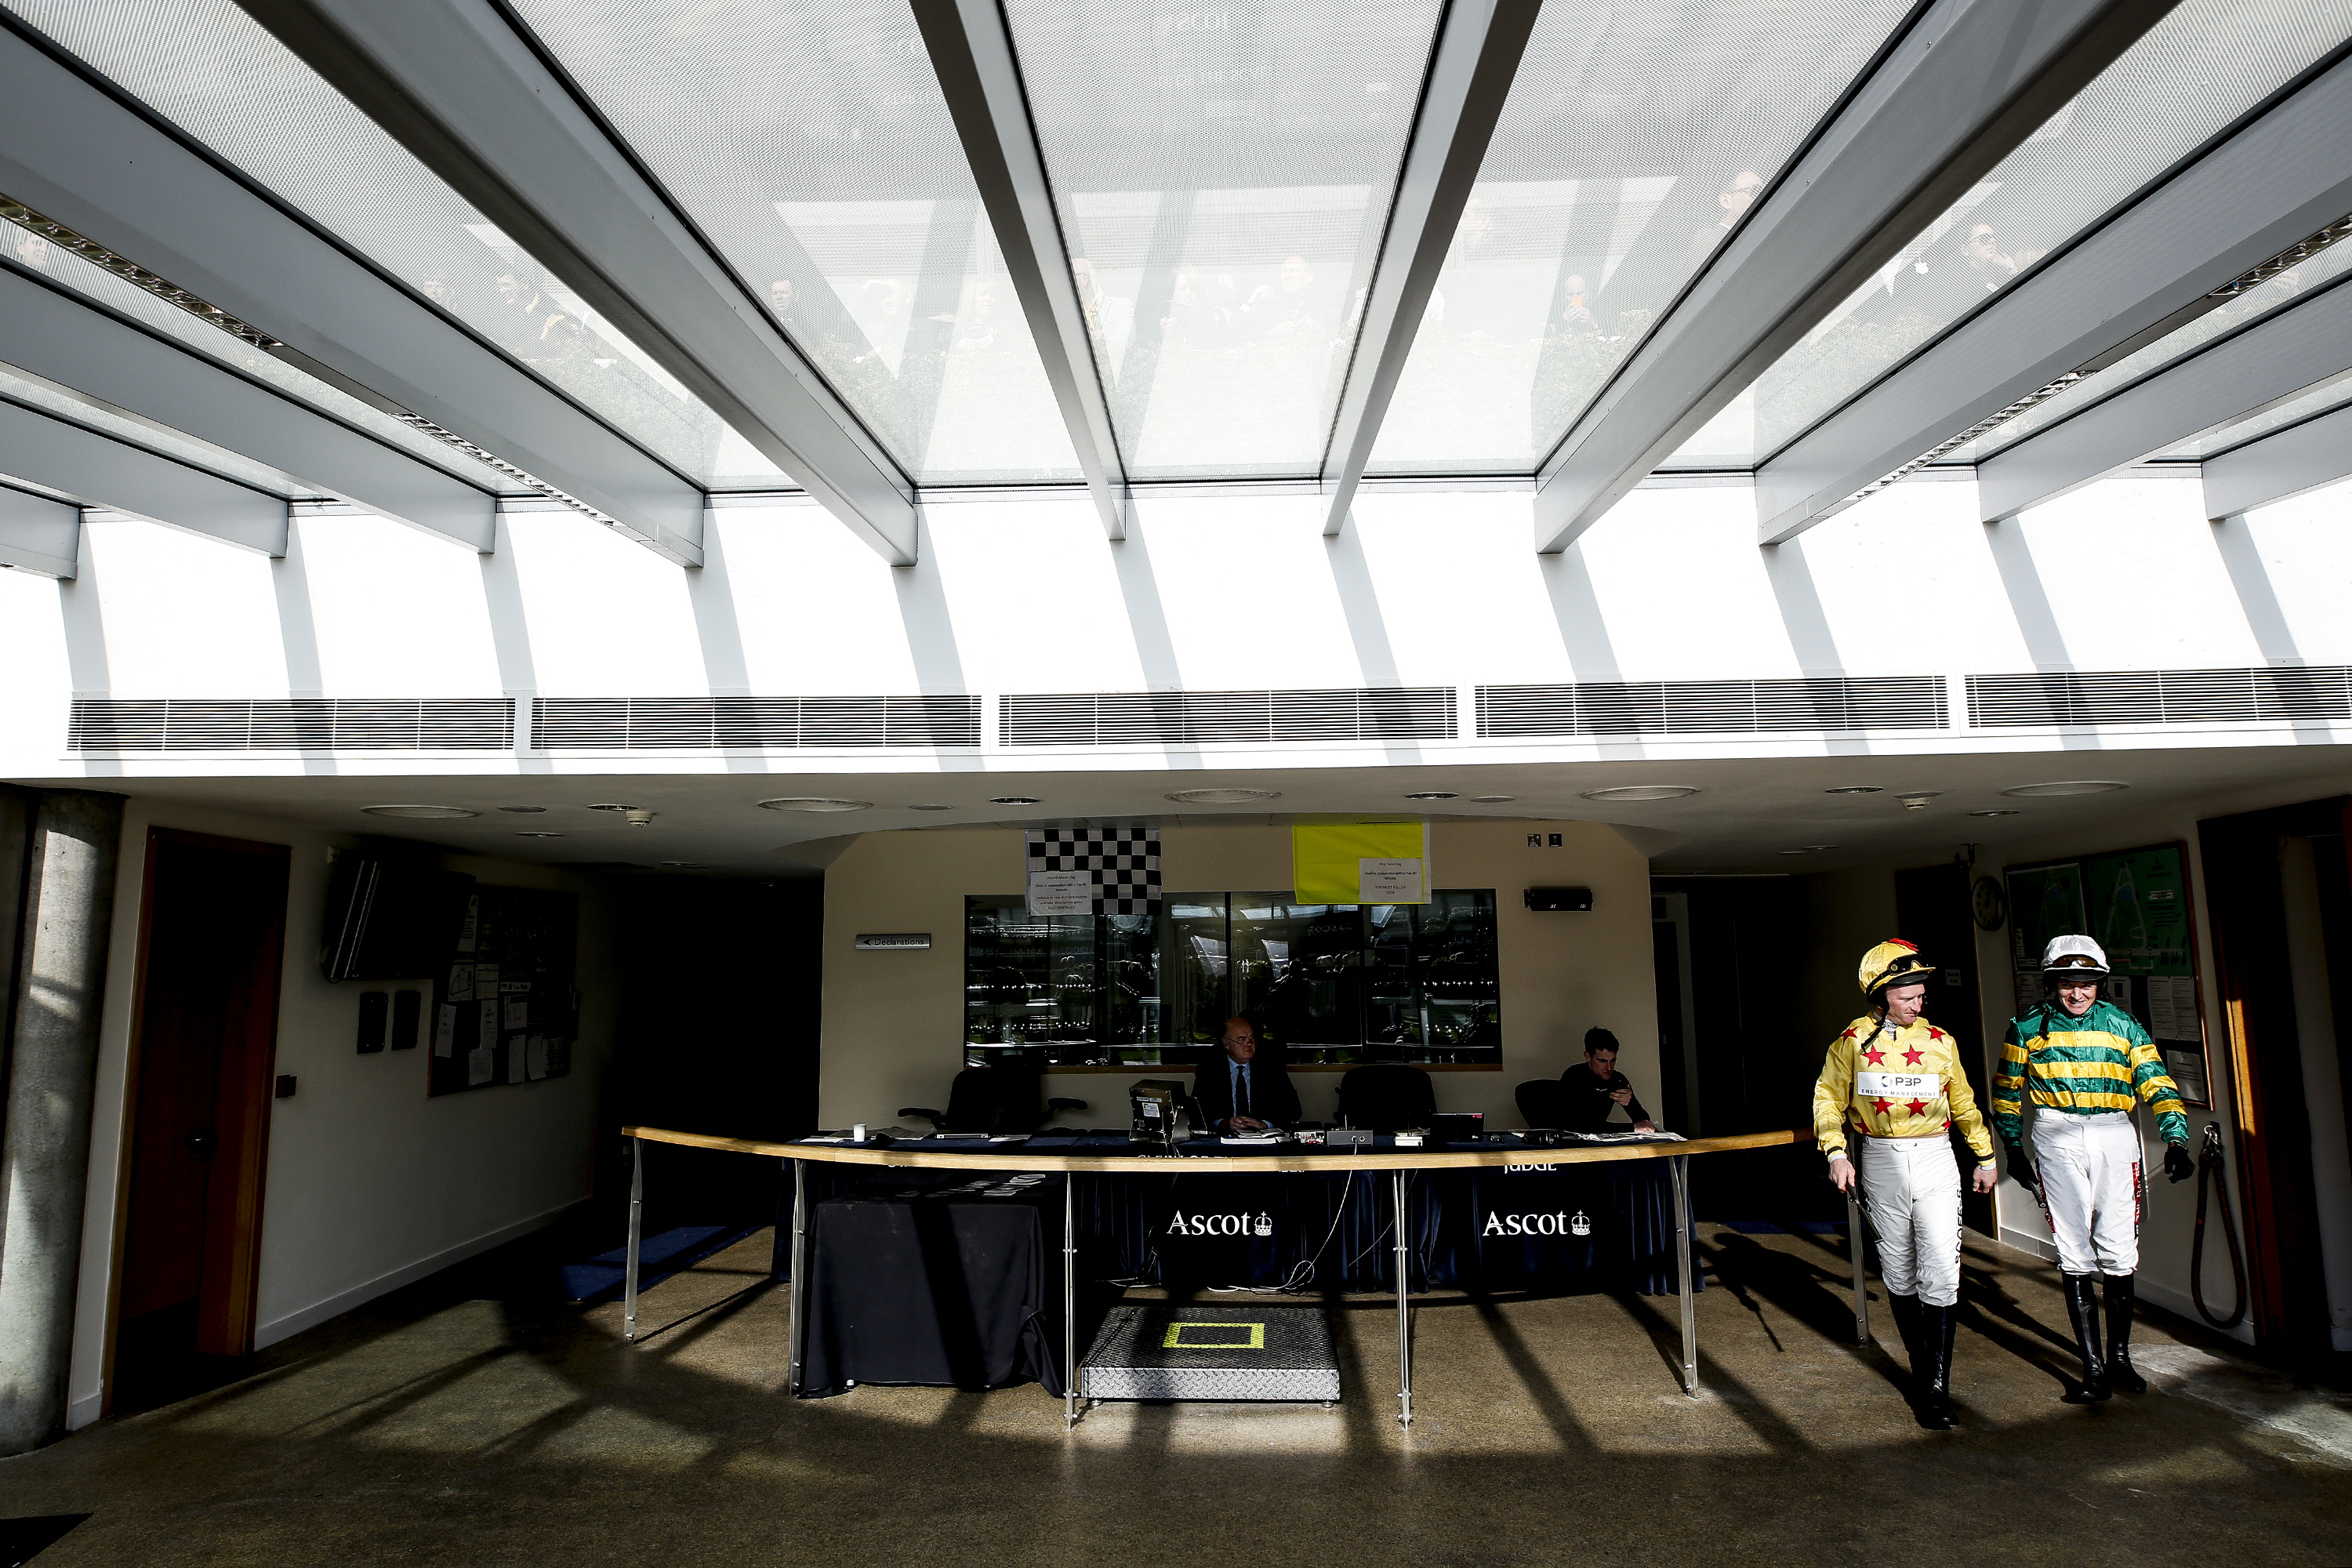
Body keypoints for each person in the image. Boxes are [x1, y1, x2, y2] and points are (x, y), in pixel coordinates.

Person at [1995, 935, 2194, 1403]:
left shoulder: (2124, 1025)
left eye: (2086, 983)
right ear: (2052, 983)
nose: (2077, 993)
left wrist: (2177, 1139)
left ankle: (2119, 1358)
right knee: (2073, 1247)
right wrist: (2012, 1146)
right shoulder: (2026, 1027)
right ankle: (2093, 1368)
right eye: (2067, 983)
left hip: (2113, 1133)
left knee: (2120, 1245)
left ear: (2099, 984)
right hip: (2054, 1132)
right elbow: (2005, 1091)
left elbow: (2157, 1082)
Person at [1814, 939, 1998, 1429]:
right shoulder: (1851, 1042)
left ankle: (1936, 1388)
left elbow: (1962, 1100)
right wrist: (1835, 1151)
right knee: (1898, 1269)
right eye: (1907, 993)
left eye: (1920, 991)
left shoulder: (1941, 1041)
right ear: (1881, 994)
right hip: (1879, 1158)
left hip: (1936, 1156)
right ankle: (1922, 1374)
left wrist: (1983, 1153)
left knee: (1941, 1265)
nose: (1918, 1000)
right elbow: (1828, 1100)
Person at [1191, 1016, 1298, 1134]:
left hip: (1264, 1139)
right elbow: (1197, 1111)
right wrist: (1224, 1123)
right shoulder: (1210, 1068)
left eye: (1251, 1037)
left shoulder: (1271, 1067)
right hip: (1224, 1139)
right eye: (1242, 1039)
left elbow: (1294, 1110)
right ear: (1226, 1044)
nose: (1249, 1043)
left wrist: (1265, 1124)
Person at [1560, 1027, 1655, 1134]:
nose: (1609, 1068)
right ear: (1588, 1057)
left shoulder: (1617, 1079)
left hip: (1599, 1140)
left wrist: (1630, 1102)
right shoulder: (1574, 1076)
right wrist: (1631, 1128)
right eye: (1602, 1061)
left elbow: (1645, 1123)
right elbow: (1580, 1125)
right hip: (1573, 1142)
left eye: (1613, 1060)